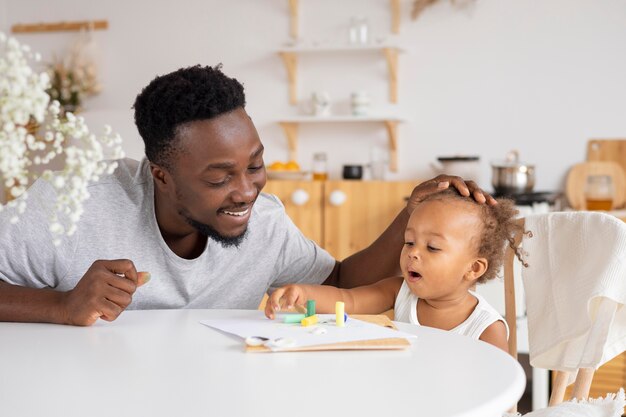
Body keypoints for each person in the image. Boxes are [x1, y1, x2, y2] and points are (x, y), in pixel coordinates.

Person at [0, 64, 495, 326]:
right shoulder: (73, 203)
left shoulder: (265, 221)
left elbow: (339, 282)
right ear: (162, 175)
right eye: (219, 178)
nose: (246, 191)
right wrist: (61, 306)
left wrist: (410, 211)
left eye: (256, 165)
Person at [265, 188, 518, 351]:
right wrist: (302, 293)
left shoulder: (486, 328)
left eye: (432, 247)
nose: (413, 252)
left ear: (473, 268)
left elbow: (500, 388)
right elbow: (348, 299)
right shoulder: (399, 291)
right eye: (409, 242)